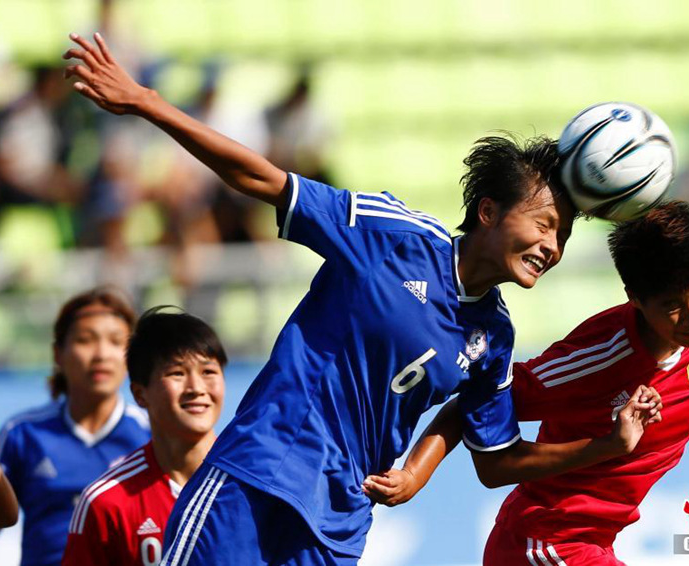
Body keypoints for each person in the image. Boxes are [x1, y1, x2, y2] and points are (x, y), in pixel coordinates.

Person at [62, 33, 659, 566]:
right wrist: (148, 103)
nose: (551, 247)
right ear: (488, 212)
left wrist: (603, 446)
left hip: (337, 522)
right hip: (258, 472)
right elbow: (264, 181)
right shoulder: (395, 234)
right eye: (545, 224)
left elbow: (496, 460)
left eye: (563, 236)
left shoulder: (493, 339)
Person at [365, 201, 689, 565]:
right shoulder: (597, 359)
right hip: (545, 541)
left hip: (595, 543)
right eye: (671, 306)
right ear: (635, 299)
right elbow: (474, 404)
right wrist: (414, 474)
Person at [0, 287, 150, 566]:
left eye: (116, 341)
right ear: (58, 354)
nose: (101, 353)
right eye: (85, 340)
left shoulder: (153, 433)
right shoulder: (22, 434)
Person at [62, 308, 227, 566]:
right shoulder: (106, 501)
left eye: (209, 372)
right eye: (177, 373)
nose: (196, 388)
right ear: (140, 394)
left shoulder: (257, 485)